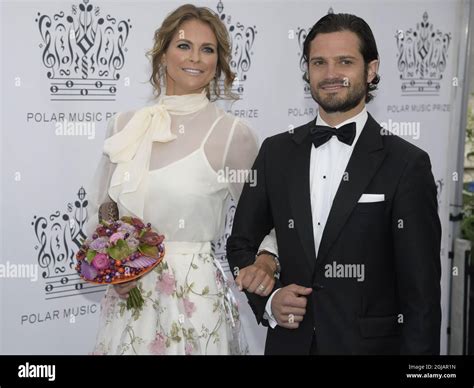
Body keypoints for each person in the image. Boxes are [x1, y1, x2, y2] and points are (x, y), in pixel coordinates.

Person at [227, 13, 442, 355]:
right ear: (307, 70)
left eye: (345, 62)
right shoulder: (276, 152)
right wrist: (270, 300)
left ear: (370, 70)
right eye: (319, 62)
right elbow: (239, 244)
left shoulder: (407, 164)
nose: (330, 75)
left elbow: (422, 296)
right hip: (289, 346)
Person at [86, 4, 277, 355]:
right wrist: (114, 265)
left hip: (195, 302)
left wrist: (267, 260)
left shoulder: (233, 134)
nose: (196, 58)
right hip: (130, 305)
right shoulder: (125, 125)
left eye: (208, 50)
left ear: (218, 62)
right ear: (163, 53)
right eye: (184, 45)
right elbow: (105, 207)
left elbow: (272, 218)